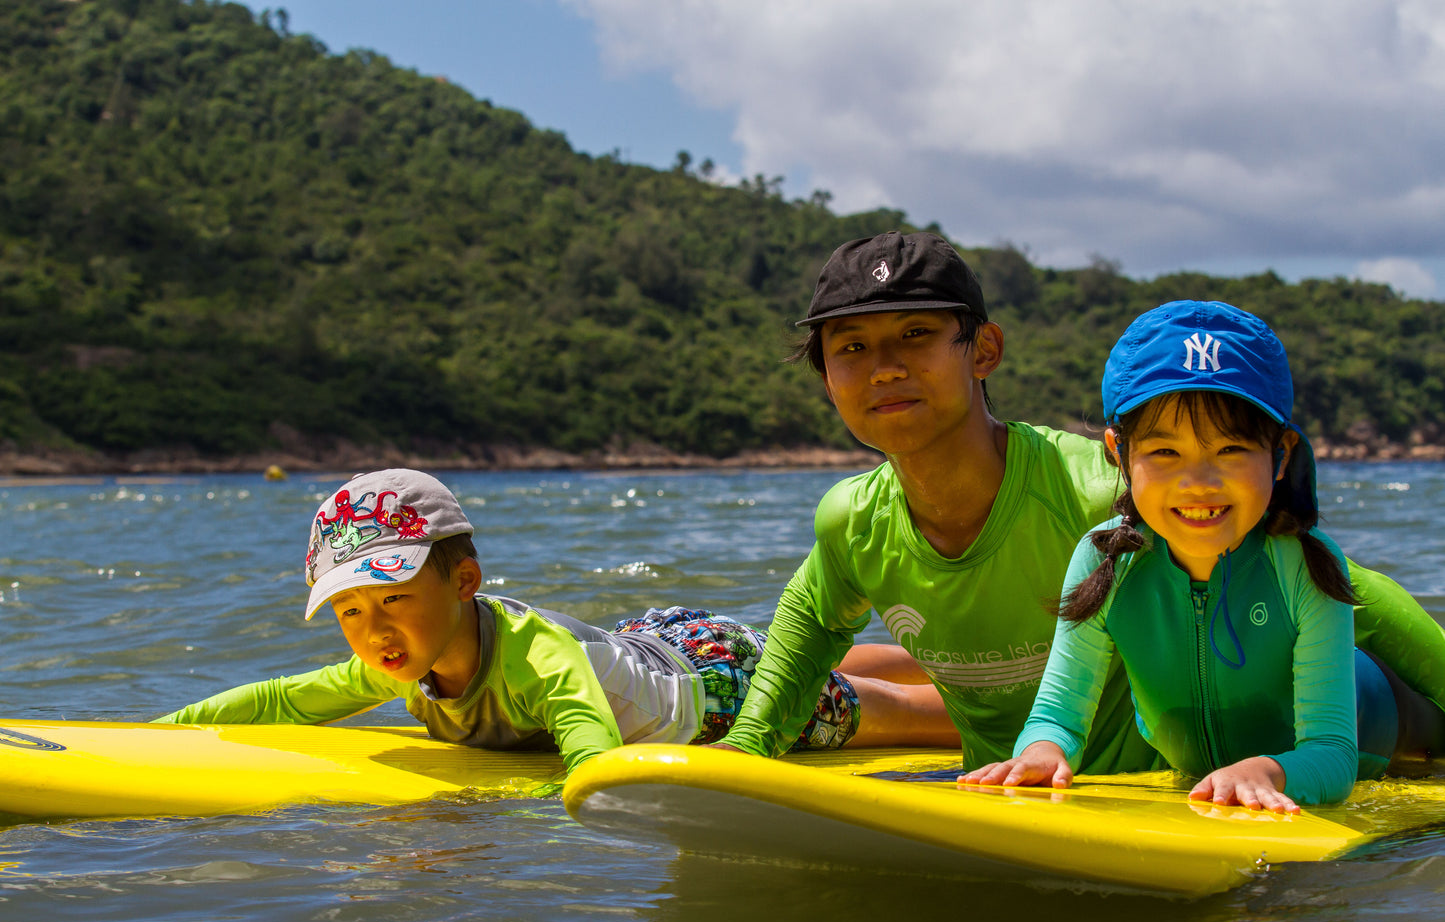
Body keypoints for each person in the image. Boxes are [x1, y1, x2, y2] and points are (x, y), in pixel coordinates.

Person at [716, 231, 1445, 779]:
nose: (884, 368)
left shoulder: (1098, 486)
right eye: (851, 347)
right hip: (1037, 777)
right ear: (825, 376)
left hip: (1195, 764)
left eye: (915, 335)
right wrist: (745, 750)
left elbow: (1341, 587)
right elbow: (810, 630)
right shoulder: (851, 520)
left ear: (984, 349)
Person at [961, 300, 1445, 811]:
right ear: (1119, 453)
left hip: (1387, 724)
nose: (1198, 482)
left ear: (1280, 455)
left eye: (1230, 450)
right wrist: (1041, 752)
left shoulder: (1302, 562)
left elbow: (1332, 754)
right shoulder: (1105, 558)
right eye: (1165, 452)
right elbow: (1057, 717)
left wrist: (1265, 771)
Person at [155, 469, 957, 774]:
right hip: (655, 644)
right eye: (349, 610)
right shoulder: (401, 659)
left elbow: (590, 751)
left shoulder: (536, 661)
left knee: (886, 713)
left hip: (716, 693)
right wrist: (161, 733)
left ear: (464, 582)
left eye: (393, 598)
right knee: (824, 662)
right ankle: (929, 655)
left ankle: (987, 685)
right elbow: (283, 700)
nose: (373, 630)